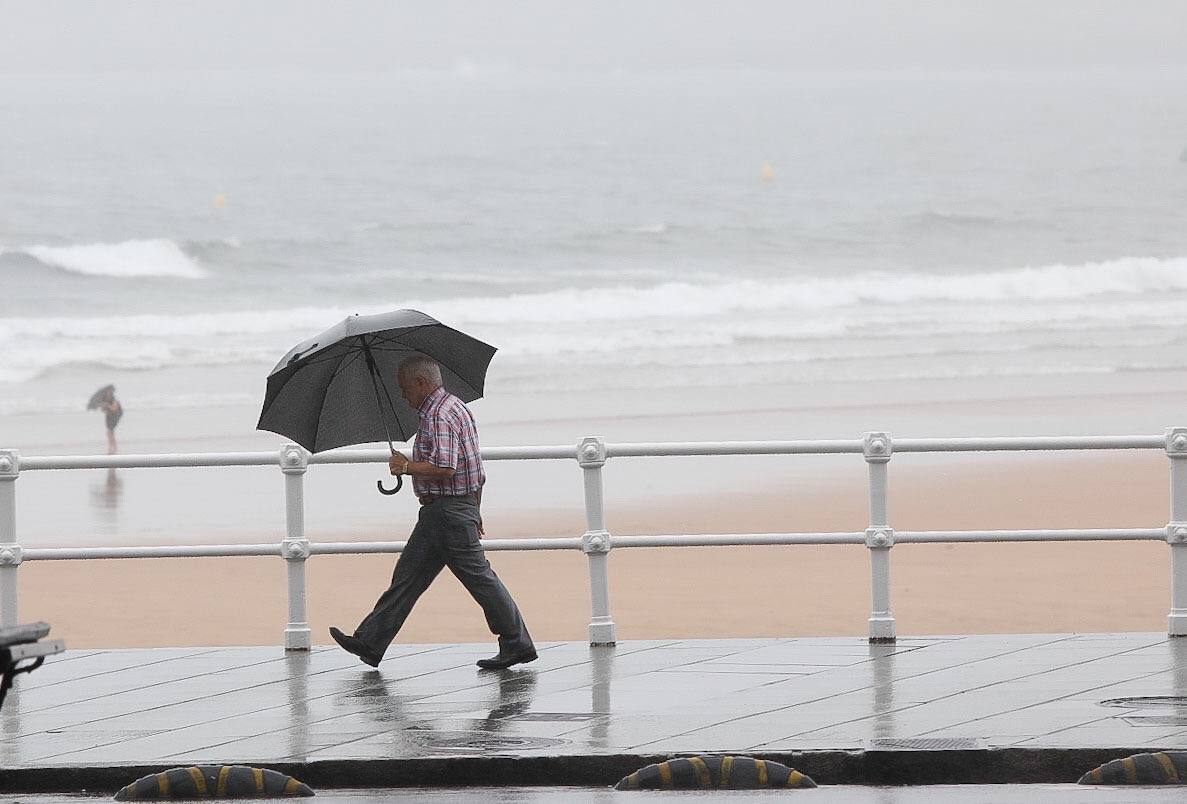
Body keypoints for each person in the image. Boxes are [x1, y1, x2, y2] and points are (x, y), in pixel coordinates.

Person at [329, 356, 536, 670]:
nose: (403, 396)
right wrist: (474, 510)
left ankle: (517, 643)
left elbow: (446, 467)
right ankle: (370, 641)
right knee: (409, 578)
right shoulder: (456, 407)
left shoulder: (436, 416)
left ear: (421, 384)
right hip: (453, 510)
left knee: (478, 580)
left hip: (446, 513)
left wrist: (407, 466)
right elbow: (476, 470)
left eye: (405, 389)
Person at [99, 390, 123, 454]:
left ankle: (113, 448)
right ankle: (112, 448)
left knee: (110, 433)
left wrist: (108, 406)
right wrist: (103, 406)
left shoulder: (114, 401)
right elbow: (103, 410)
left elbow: (114, 409)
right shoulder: (106, 401)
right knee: (110, 433)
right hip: (109, 418)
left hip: (113, 418)